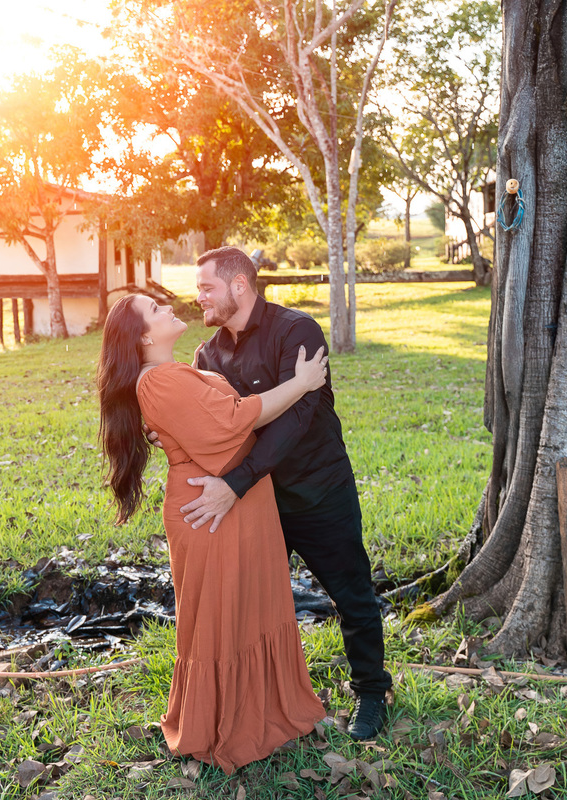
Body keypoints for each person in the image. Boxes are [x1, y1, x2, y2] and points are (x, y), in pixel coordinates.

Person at [162, 245, 392, 741]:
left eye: (206, 288)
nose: (197, 297)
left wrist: (235, 484)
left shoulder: (297, 330)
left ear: (238, 286)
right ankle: (261, 704)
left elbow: (296, 418)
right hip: (256, 506)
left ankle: (373, 691)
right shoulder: (208, 354)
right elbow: (215, 424)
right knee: (253, 605)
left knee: (350, 594)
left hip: (317, 490)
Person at [97, 292, 329, 774]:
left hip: (235, 501)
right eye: (155, 310)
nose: (168, 308)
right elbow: (237, 418)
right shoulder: (159, 379)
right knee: (220, 616)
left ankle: (262, 711)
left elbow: (214, 415)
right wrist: (303, 382)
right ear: (144, 336)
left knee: (247, 607)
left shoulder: (172, 373)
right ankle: (221, 725)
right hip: (211, 510)